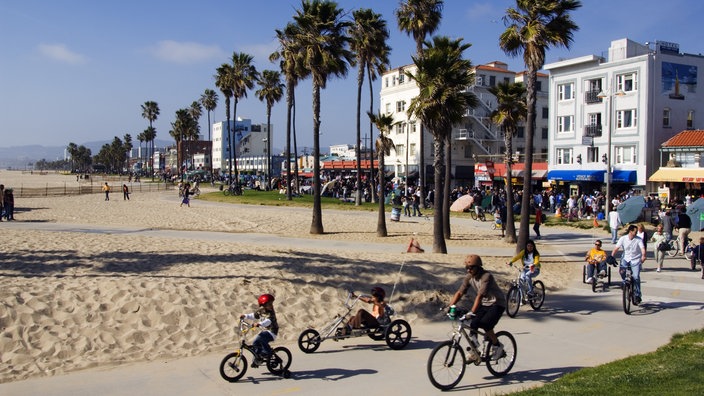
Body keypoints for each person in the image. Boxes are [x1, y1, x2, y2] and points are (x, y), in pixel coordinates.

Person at [448, 254, 506, 360]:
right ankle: (474, 350)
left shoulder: (486, 277)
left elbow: (479, 296)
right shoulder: (469, 277)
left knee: (485, 324)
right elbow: (460, 293)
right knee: (473, 323)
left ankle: (497, 346)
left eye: (471, 268)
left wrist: (471, 312)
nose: (468, 270)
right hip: (484, 304)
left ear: (478, 267)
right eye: (467, 268)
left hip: (497, 303)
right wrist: (450, 306)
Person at [611, 224, 646, 305]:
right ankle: (625, 282)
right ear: (630, 231)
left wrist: (643, 256)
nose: (636, 232)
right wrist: (612, 256)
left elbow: (642, 249)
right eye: (635, 231)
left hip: (635, 259)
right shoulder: (623, 238)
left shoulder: (639, 239)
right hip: (626, 258)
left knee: (636, 277)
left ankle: (637, 295)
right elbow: (616, 248)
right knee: (621, 271)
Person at [240, 293, 279, 366]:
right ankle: (258, 359)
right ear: (263, 305)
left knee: (261, 338)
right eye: (269, 304)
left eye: (271, 304)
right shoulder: (261, 310)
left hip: (272, 332)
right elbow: (253, 316)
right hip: (265, 331)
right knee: (255, 343)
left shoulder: (271, 313)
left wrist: (259, 324)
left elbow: (268, 321)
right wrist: (245, 316)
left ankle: (268, 353)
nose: (271, 306)